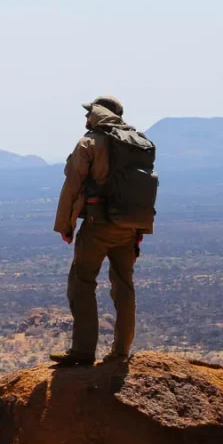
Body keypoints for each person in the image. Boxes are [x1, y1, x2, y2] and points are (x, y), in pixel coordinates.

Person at [50, 95, 156, 367]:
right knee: (124, 287)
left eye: (89, 114)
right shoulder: (137, 142)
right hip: (129, 227)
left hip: (98, 225)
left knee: (81, 282)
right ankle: (121, 352)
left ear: (98, 113)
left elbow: (72, 186)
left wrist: (65, 226)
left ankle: (83, 352)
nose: (86, 119)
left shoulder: (90, 142)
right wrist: (139, 227)